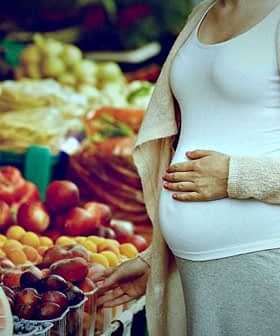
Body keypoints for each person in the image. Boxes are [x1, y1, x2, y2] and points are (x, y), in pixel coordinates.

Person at [97, 1, 280, 335]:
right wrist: (155, 260)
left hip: (261, 256)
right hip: (195, 270)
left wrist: (235, 176)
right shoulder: (203, 12)